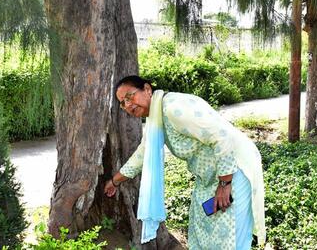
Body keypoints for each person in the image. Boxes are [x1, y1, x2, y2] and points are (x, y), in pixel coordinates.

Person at [104, 75, 266, 250]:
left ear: (147, 89)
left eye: (130, 96)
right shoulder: (156, 118)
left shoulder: (173, 108)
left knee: (231, 237)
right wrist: (115, 181)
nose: (127, 105)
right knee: (204, 231)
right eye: (122, 103)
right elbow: (143, 153)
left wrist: (225, 184)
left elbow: (222, 137)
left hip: (234, 170)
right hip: (209, 179)